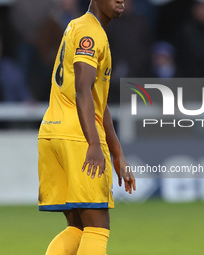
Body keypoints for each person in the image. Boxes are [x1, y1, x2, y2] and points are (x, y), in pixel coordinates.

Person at [37, 1, 136, 255]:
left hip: (53, 132)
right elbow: (82, 90)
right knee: (97, 228)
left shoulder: (76, 26)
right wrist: (94, 143)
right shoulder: (91, 32)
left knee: (77, 228)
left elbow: (97, 100)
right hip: (79, 137)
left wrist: (117, 152)